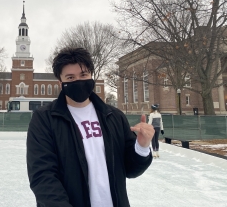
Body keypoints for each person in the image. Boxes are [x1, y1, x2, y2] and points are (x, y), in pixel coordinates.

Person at [26, 47, 154, 207]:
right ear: (61, 83)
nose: (78, 81)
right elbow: (43, 176)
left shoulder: (113, 116)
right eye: (70, 77)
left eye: (83, 75)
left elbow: (130, 169)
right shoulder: (45, 119)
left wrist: (142, 146)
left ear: (91, 76)